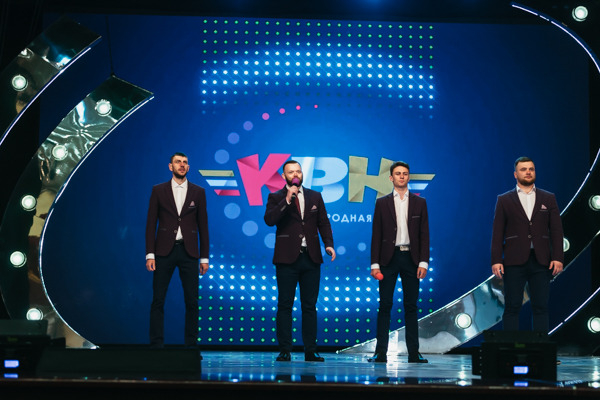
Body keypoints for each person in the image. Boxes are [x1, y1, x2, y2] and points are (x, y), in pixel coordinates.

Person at [264, 160, 336, 362]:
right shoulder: (276, 197)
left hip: (311, 258)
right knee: (285, 305)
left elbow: (323, 222)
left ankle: (311, 350)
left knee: (309, 306)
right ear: (284, 176)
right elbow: (269, 220)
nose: (295, 174)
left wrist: (328, 244)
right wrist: (287, 200)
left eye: (298, 171)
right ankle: (285, 349)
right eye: (291, 172)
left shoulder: (315, 196)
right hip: (286, 259)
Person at [491, 156, 564, 333]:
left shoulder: (548, 198)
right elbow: (497, 232)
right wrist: (496, 260)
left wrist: (558, 257)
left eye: (531, 169)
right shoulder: (504, 199)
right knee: (512, 306)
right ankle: (509, 346)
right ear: (515, 174)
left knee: (541, 306)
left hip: (542, 260)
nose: (528, 172)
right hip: (513, 260)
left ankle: (540, 347)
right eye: (523, 169)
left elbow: (556, 230)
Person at [146, 152, 210, 351]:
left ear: (188, 167)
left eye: (185, 162)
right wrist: (150, 254)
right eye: (178, 162)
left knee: (192, 301)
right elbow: (151, 224)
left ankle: (191, 346)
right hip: (163, 252)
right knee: (158, 300)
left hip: (189, 252)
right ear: (170, 166)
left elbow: (203, 226)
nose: (182, 165)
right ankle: (156, 345)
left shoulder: (198, 192)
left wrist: (204, 257)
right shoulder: (158, 190)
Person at [368, 161, 430, 364]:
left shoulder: (420, 203)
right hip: (388, 259)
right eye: (398, 173)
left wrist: (423, 262)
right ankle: (380, 353)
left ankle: (414, 353)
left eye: (405, 173)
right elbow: (376, 235)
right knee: (385, 305)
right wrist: (375, 264)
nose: (401, 176)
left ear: (408, 177)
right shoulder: (382, 203)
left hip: (411, 259)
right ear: (391, 178)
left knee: (411, 306)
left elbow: (424, 234)